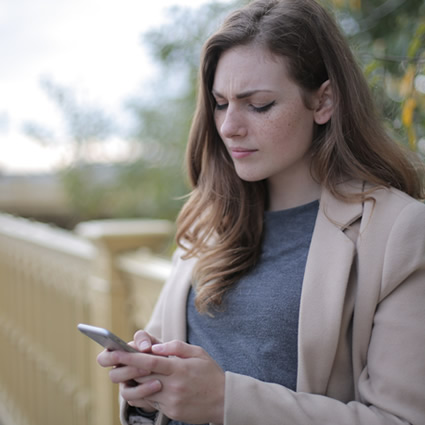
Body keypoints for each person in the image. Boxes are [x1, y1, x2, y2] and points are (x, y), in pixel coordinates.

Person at [97, 0, 425, 424]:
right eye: (220, 103)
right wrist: (149, 385)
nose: (230, 126)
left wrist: (223, 400)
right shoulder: (210, 219)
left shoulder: (398, 232)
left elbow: (401, 418)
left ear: (323, 101)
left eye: (259, 104)